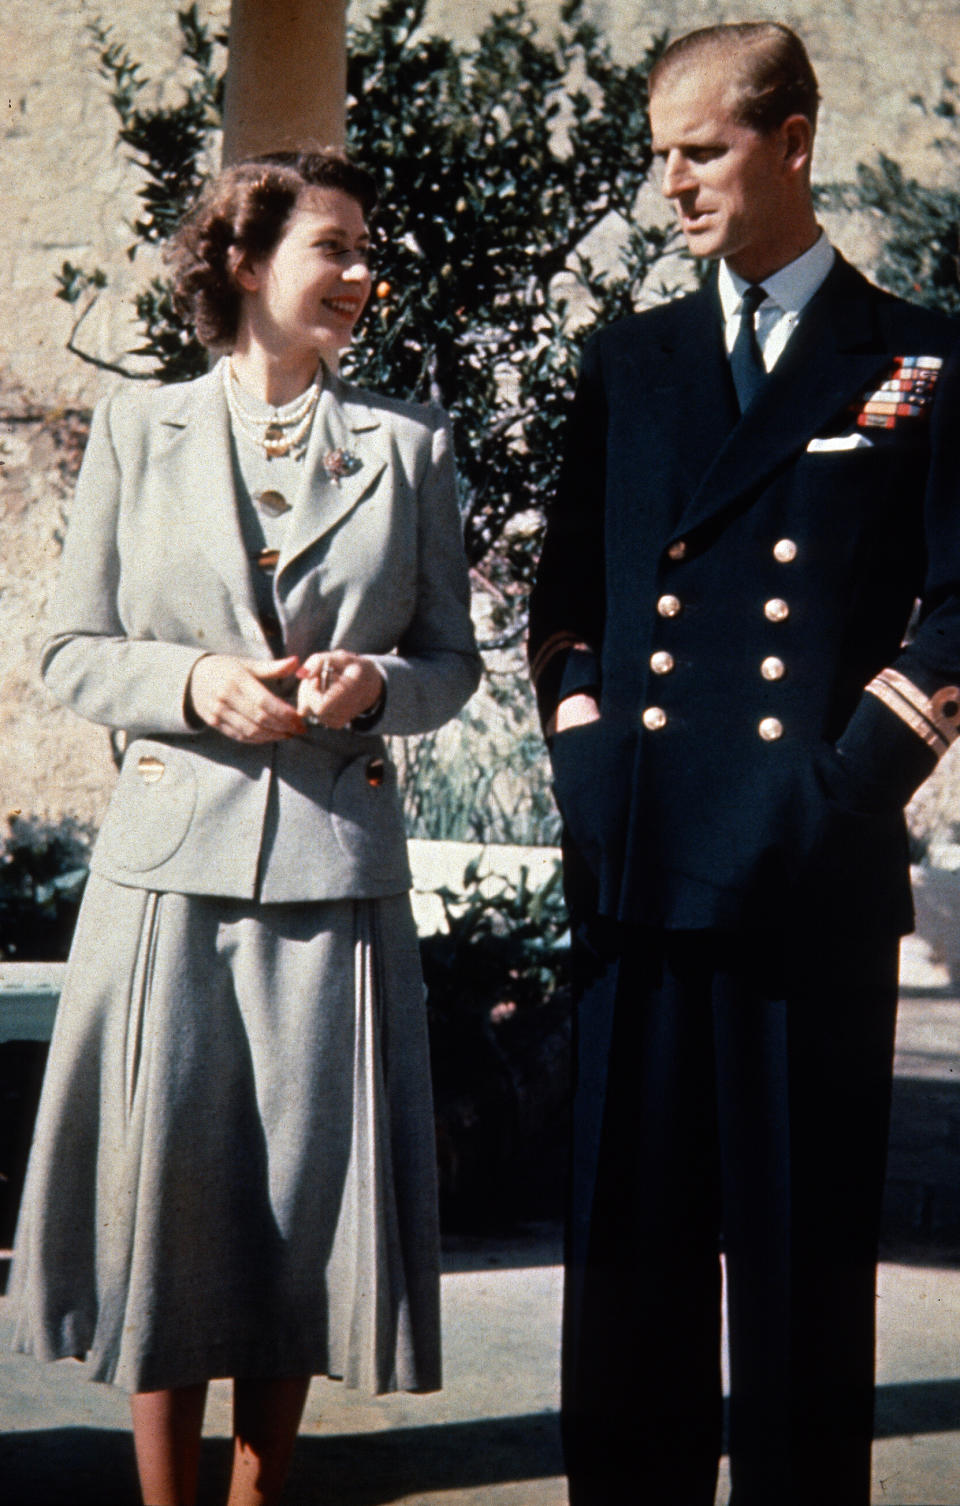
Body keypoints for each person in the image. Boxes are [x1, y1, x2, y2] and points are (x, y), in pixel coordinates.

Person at [528, 22, 960, 1506]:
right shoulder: (630, 360)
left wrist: (846, 784)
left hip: (809, 877)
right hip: (643, 862)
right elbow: (565, 598)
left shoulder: (915, 357)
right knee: (629, 1274)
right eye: (659, 154)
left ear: (792, 140)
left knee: (800, 1291)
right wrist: (587, 762)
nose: (672, 187)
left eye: (699, 150)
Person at [10, 149, 481, 1506]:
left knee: (300, 1215)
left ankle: (266, 1493)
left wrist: (377, 685)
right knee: (171, 1205)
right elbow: (69, 649)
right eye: (331, 246)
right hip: (168, 879)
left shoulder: (409, 448)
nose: (360, 273)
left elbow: (450, 664)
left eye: (365, 249)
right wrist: (191, 682)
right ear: (242, 260)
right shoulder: (136, 433)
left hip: (335, 879)